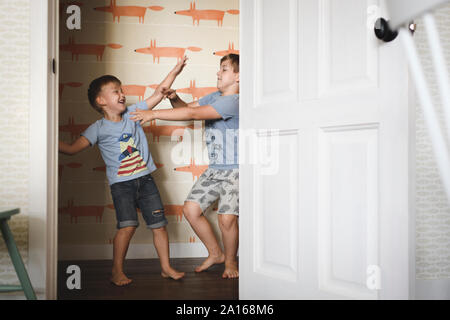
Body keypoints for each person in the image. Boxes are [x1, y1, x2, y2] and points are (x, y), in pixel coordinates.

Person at [59, 57, 188, 286]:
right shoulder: (97, 129)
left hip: (146, 181)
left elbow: (159, 93)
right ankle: (116, 271)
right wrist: (44, 138)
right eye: (115, 91)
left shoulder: (133, 113)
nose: (122, 94)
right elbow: (70, 149)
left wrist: (175, 71)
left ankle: (166, 268)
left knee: (159, 225)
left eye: (122, 90)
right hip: (122, 185)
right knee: (127, 226)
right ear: (101, 101)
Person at [130, 54, 240, 279]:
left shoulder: (234, 101)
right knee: (191, 210)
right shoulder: (215, 97)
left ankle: (230, 262)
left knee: (226, 219)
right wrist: (174, 98)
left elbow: (192, 114)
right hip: (216, 167)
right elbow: (186, 109)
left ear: (239, 76)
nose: (218, 73)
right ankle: (216, 253)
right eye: (220, 69)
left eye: (225, 69)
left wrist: (153, 114)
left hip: (236, 170)